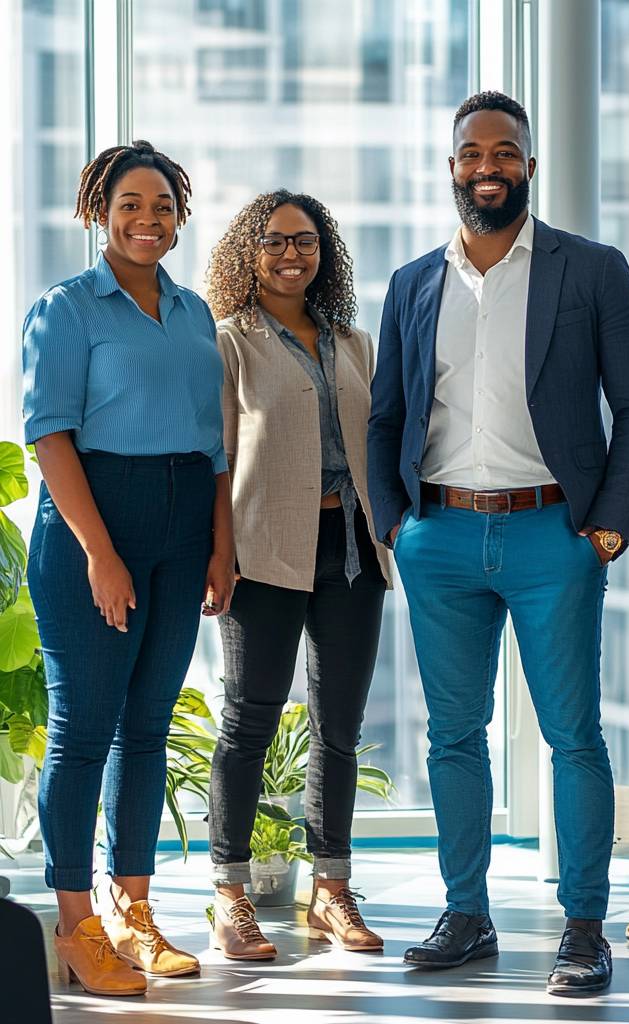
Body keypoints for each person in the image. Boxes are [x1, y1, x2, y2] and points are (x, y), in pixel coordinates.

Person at [367, 91, 629, 996]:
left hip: (553, 535)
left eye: (506, 150)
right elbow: (384, 416)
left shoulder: (593, 270)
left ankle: (583, 927)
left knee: (574, 737)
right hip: (441, 536)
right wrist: (395, 523)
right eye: (471, 151)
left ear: (530, 164)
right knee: (453, 737)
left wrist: (608, 527)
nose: (487, 163)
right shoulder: (413, 283)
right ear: (451, 164)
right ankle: (466, 914)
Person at [23, 141, 234, 996]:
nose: (147, 220)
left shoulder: (193, 314)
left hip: (185, 525)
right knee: (83, 729)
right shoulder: (67, 308)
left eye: (162, 206)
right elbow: (49, 435)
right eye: (130, 205)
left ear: (180, 217)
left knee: (147, 728)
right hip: (94, 524)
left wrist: (220, 545)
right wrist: (100, 554)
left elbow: (216, 446)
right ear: (97, 211)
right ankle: (78, 930)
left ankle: (134, 911)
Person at [205, 190, 391, 959]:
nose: (292, 254)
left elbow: (380, 440)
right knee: (249, 723)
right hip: (263, 549)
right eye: (276, 241)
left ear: (325, 252)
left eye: (306, 241)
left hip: (351, 547)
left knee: (339, 730)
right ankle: (230, 896)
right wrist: (219, 555)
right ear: (249, 251)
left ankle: (331, 891)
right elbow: (215, 457)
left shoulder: (353, 341)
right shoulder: (231, 341)